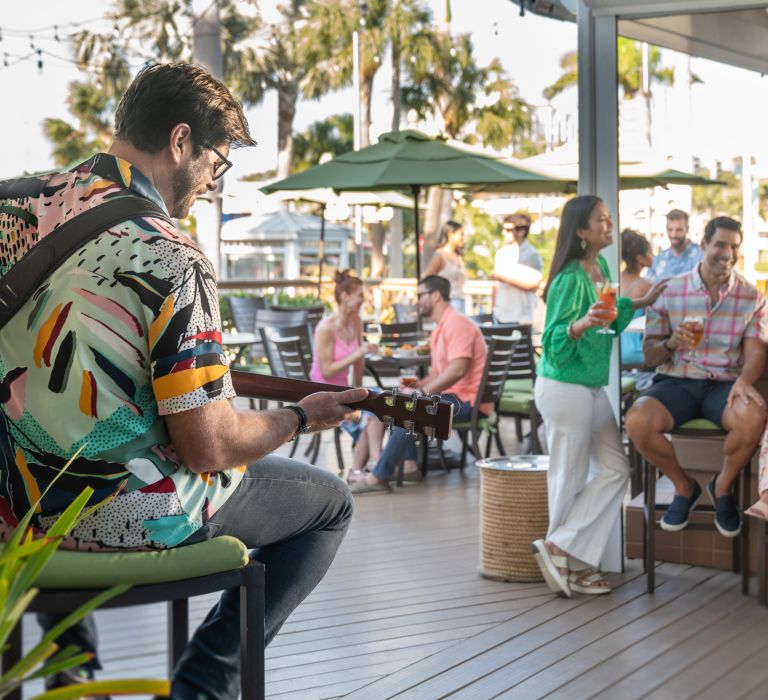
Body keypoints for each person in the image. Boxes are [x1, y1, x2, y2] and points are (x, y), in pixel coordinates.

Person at [0, 63, 368, 700]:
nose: (211, 184)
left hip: (13, 502)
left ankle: (70, 669)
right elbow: (211, 445)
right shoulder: (168, 254)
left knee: (64, 448)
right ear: (179, 142)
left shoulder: (12, 202)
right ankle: (203, 688)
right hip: (119, 514)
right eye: (216, 164)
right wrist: (302, 418)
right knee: (329, 503)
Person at [532, 196, 666, 598]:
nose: (609, 225)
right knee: (568, 476)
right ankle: (567, 561)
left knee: (614, 470)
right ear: (580, 231)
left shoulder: (603, 267)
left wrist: (639, 304)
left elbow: (609, 315)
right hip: (564, 388)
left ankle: (564, 546)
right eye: (601, 220)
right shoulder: (567, 279)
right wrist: (581, 324)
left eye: (610, 219)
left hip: (591, 386)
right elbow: (553, 342)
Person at [626, 216, 768, 538]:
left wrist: (745, 380)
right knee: (636, 421)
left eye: (734, 247)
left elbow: (756, 351)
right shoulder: (669, 290)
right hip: (677, 380)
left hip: (724, 383)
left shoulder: (751, 297)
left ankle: (722, 487)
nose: (727, 253)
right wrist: (671, 342)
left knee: (753, 417)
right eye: (720, 244)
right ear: (703, 245)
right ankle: (683, 486)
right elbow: (650, 354)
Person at [350, 275, 489, 494]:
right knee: (401, 400)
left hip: (469, 402)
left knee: (409, 407)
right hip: (454, 397)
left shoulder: (457, 324)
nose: (417, 301)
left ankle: (378, 478)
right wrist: (416, 386)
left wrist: (422, 392)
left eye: (420, 295)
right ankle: (409, 466)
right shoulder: (441, 327)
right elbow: (437, 373)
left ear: (435, 296)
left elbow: (458, 370)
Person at [310, 270, 385, 481]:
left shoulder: (356, 321)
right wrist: (359, 353)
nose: (364, 299)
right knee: (372, 413)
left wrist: (361, 392)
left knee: (378, 403)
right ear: (344, 296)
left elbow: (358, 361)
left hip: (346, 391)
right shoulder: (325, 328)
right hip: (323, 393)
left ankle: (366, 467)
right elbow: (327, 371)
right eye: (360, 295)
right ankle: (373, 467)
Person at [492, 213, 543, 326]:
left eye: (508, 229)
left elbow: (534, 285)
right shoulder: (501, 253)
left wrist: (502, 278)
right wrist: (494, 309)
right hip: (501, 314)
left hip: (522, 316)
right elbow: (495, 285)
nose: (504, 232)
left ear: (521, 232)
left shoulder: (532, 254)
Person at [619, 228, 654, 367]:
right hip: (636, 352)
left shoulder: (615, 279)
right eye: (650, 252)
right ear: (640, 258)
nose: (653, 255)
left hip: (615, 351)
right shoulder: (646, 286)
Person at [646, 209, 702, 282]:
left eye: (679, 230)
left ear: (687, 229)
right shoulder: (658, 260)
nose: (674, 235)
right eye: (670, 230)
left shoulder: (701, 256)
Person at [423, 220, 467, 312]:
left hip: (461, 301)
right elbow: (427, 279)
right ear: (450, 235)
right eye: (461, 234)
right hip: (446, 304)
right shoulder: (439, 255)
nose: (463, 238)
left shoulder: (458, 256)